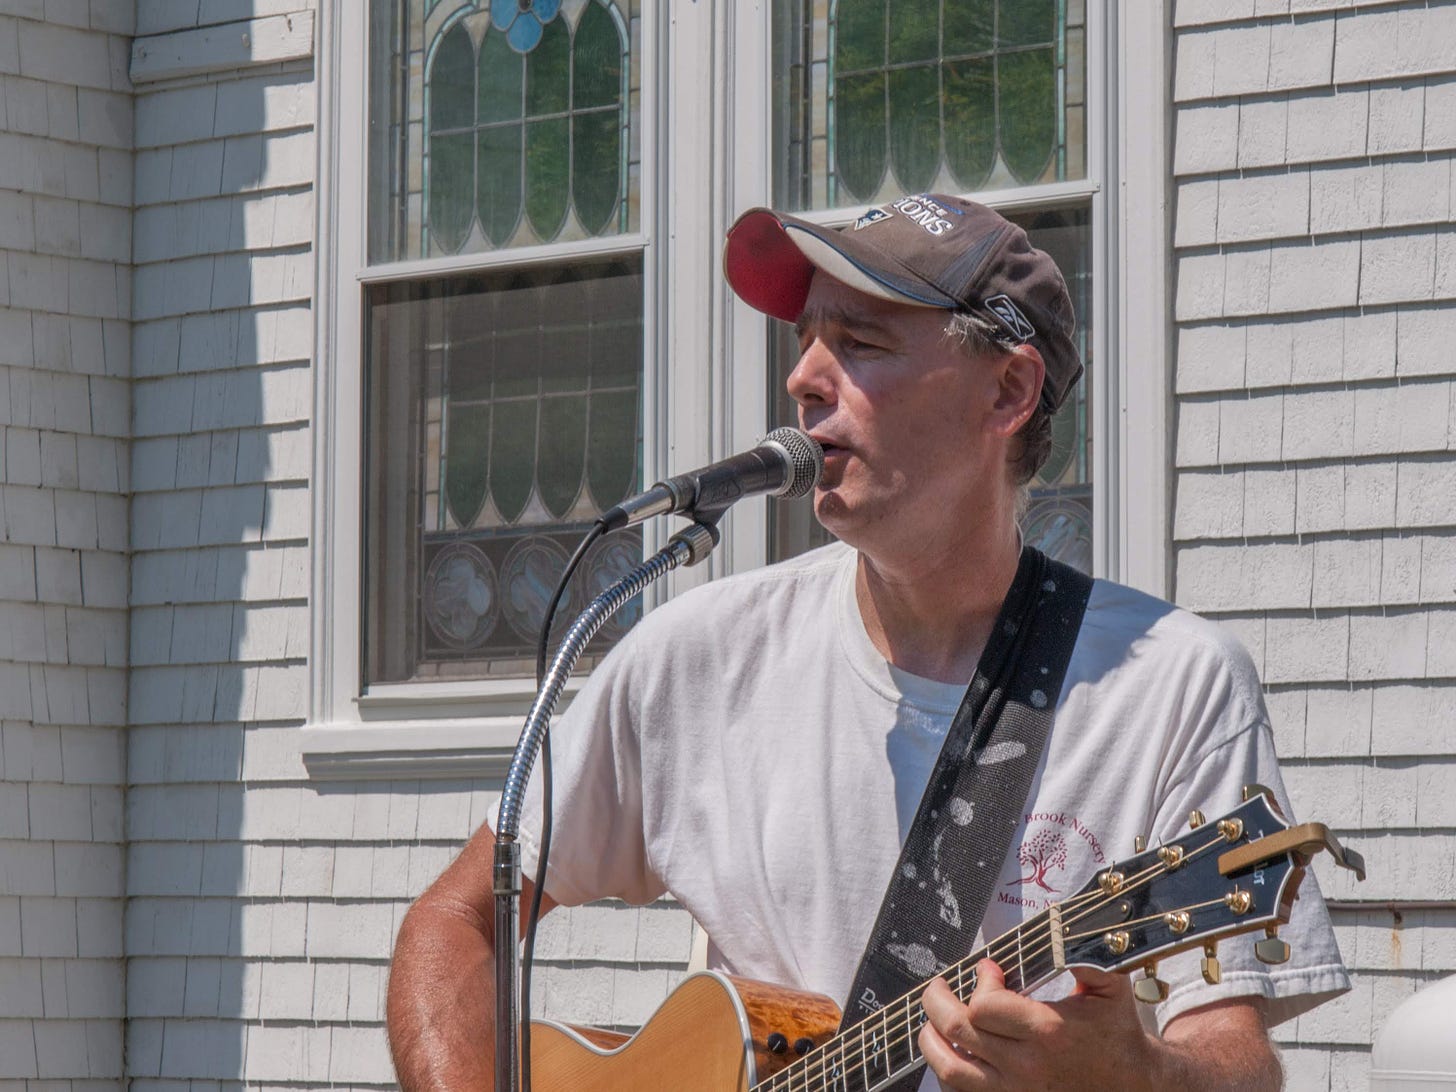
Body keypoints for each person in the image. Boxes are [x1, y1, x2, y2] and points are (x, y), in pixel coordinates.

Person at [386, 193, 1350, 1090]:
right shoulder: (693, 657)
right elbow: (457, 918)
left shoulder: (1174, 685)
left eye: (861, 342)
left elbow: (1233, 1056)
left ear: (1008, 392)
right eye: (807, 339)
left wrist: (1138, 1076)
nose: (801, 378)